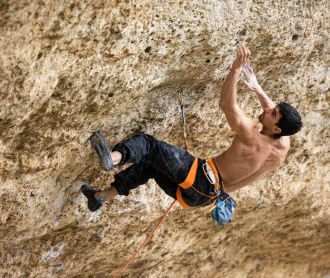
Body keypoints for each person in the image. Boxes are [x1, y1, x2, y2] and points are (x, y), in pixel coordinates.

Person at [81, 45, 302, 224]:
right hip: (203, 197)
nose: (267, 109)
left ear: (276, 129)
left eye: (272, 114)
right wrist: (257, 88)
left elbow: (227, 105)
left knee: (149, 146)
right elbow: (277, 117)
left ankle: (114, 159)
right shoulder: (281, 149)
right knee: (150, 164)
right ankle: (100, 197)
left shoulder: (251, 134)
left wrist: (236, 68)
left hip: (199, 179)